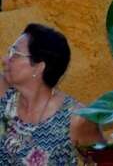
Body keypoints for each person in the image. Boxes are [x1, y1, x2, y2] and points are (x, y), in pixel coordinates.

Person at [1, 24, 103, 165]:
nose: (5, 59)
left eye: (15, 54)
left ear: (39, 67)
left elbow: (101, 160)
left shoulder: (75, 119)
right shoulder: (3, 95)